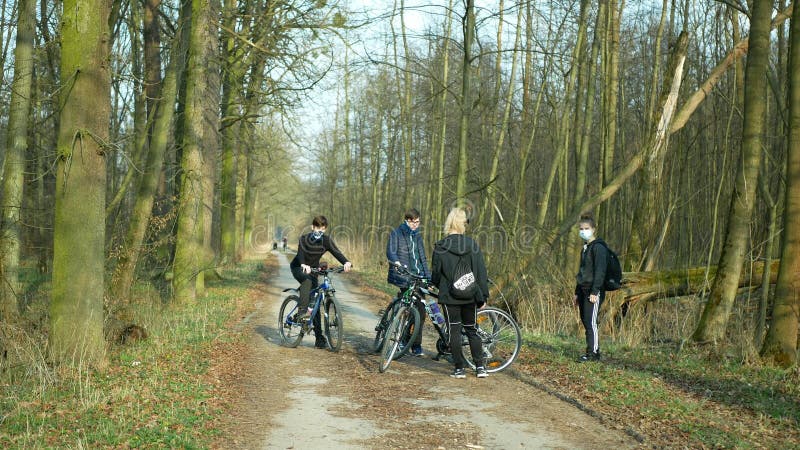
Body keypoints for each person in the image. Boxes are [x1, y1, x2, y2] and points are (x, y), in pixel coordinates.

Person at [431, 208, 490, 378]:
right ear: (462, 223)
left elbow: (436, 273)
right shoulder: (472, 245)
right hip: (470, 294)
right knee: (472, 330)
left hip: (450, 296)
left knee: (454, 331)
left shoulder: (441, 246)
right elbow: (480, 273)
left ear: (449, 222)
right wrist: (483, 296)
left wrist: (436, 284)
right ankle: (480, 368)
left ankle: (459, 369)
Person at [290, 215, 352, 348]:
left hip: (313, 269)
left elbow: (336, 252)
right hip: (298, 267)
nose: (320, 231)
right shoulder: (304, 239)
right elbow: (301, 254)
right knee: (306, 282)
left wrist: (346, 262)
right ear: (313, 227)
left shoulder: (325, 240)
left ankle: (319, 338)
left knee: (316, 302)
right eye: (318, 228)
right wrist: (303, 264)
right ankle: (301, 313)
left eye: (323, 229)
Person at [385, 208, 431, 356]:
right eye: (413, 222)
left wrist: (428, 277)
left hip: (419, 278)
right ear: (407, 221)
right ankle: (404, 340)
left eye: (418, 222)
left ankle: (413, 343)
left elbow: (422, 257)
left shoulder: (417, 236)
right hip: (404, 276)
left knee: (421, 312)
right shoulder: (396, 233)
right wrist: (397, 262)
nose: (416, 225)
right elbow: (390, 252)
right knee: (409, 308)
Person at [573, 214, 607, 362]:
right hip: (582, 290)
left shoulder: (599, 248)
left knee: (591, 322)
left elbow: (600, 271)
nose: (583, 231)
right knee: (586, 321)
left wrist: (595, 291)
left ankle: (593, 354)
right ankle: (591, 351)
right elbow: (581, 272)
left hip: (593, 291)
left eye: (586, 228)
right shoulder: (585, 248)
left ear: (593, 229)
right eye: (581, 229)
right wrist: (576, 292)